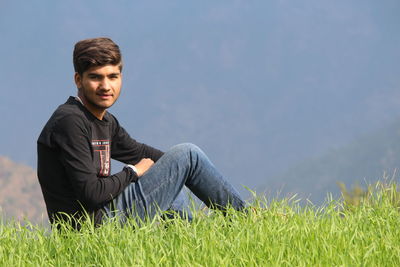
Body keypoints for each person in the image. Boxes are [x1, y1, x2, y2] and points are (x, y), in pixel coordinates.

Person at [37, 37, 245, 229]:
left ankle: (188, 242)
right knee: (188, 153)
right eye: (95, 77)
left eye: (113, 76)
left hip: (106, 219)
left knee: (173, 176)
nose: (105, 86)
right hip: (93, 230)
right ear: (78, 80)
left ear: (121, 77)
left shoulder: (105, 121)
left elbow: (139, 151)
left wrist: (177, 170)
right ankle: (245, 219)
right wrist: (133, 172)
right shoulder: (70, 121)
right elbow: (91, 194)